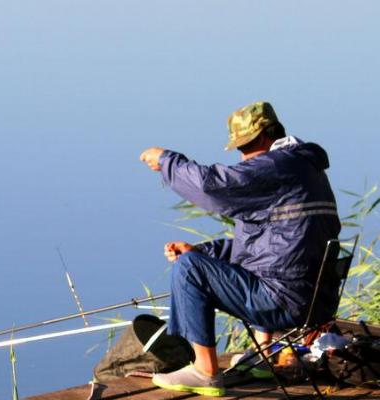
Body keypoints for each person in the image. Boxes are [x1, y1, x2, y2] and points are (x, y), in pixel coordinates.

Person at [139, 101, 341, 396]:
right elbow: (269, 244)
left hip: (284, 301)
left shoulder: (277, 166)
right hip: (314, 302)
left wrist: (168, 161)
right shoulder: (305, 169)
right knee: (197, 260)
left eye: (245, 146)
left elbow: (213, 187)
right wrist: (202, 251)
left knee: (188, 270)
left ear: (264, 136)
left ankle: (205, 371)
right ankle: (265, 353)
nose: (243, 156)